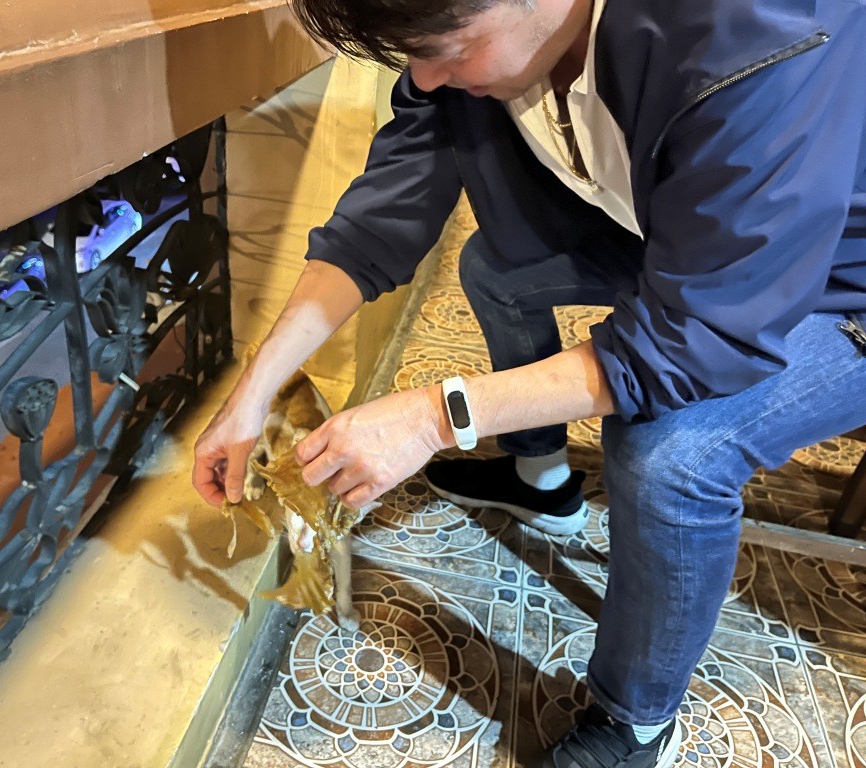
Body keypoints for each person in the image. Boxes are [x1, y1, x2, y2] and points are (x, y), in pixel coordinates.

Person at [193, 0, 866, 763]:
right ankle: (541, 480)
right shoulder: (481, 33)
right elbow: (379, 219)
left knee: (669, 455)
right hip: (693, 242)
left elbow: (698, 339)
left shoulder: (755, 37)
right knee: (496, 270)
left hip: (841, 287)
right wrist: (252, 393)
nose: (426, 79)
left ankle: (637, 722)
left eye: (447, 49)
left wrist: (435, 416)